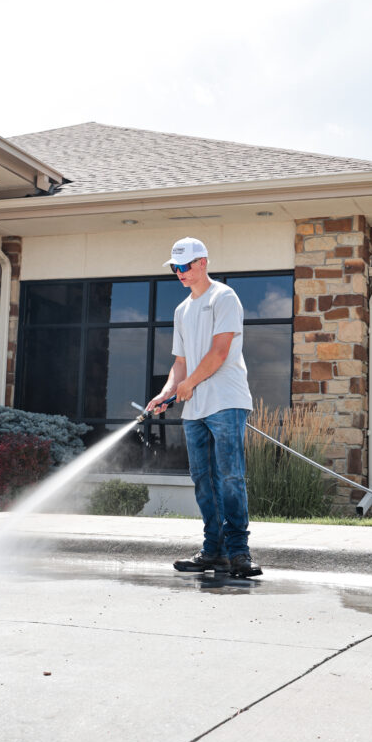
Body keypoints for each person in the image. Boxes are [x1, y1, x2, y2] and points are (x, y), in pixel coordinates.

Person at [146, 236, 262, 578]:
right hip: (194, 409)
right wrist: (167, 392)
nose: (179, 272)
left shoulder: (224, 297)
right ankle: (214, 551)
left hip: (226, 401)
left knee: (230, 477)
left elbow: (219, 352)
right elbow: (180, 363)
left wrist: (189, 384)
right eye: (175, 268)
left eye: (185, 266)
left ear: (203, 263)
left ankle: (239, 554)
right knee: (203, 480)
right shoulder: (182, 310)